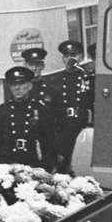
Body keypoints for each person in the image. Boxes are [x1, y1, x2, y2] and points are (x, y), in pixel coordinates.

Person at [38, 40, 95, 174]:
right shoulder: (55, 81)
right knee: (62, 165)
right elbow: (50, 111)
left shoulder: (89, 78)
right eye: (67, 56)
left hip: (83, 128)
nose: (70, 59)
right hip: (63, 130)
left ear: (81, 57)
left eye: (74, 55)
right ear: (63, 59)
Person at [0, 65, 50, 168]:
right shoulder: (3, 110)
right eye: (13, 84)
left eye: (21, 84)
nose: (17, 88)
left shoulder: (39, 109)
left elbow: (48, 141)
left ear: (30, 86)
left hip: (32, 161)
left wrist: (47, 166)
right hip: (8, 161)